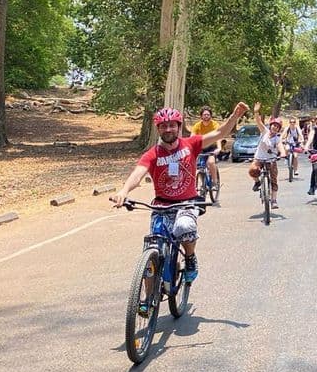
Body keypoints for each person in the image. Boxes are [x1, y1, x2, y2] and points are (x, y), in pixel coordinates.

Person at [112, 101, 249, 284]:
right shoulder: (152, 154)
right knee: (152, 249)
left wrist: (235, 116)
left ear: (178, 126)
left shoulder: (190, 144)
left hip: (186, 203)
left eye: (172, 125)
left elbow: (219, 133)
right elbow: (137, 174)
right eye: (163, 126)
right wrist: (124, 191)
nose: (168, 129)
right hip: (161, 205)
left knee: (184, 227)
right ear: (158, 129)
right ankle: (145, 300)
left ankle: (190, 258)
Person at [247, 102, 287, 210]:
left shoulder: (277, 139)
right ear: (271, 125)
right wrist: (256, 111)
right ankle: (257, 182)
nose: (275, 128)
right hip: (259, 158)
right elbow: (258, 121)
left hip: (271, 160)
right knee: (252, 170)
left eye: (277, 127)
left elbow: (280, 146)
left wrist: (283, 153)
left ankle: (274, 200)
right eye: (274, 125)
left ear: (279, 129)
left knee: (274, 179)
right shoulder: (264, 131)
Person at [190, 106, 220, 192]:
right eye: (204, 114)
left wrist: (219, 148)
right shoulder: (197, 126)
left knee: (210, 162)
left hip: (212, 147)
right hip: (201, 148)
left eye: (208, 114)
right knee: (200, 167)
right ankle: (202, 183)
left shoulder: (215, 125)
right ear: (201, 116)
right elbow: (192, 138)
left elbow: (218, 137)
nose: (206, 116)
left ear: (210, 116)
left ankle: (215, 182)